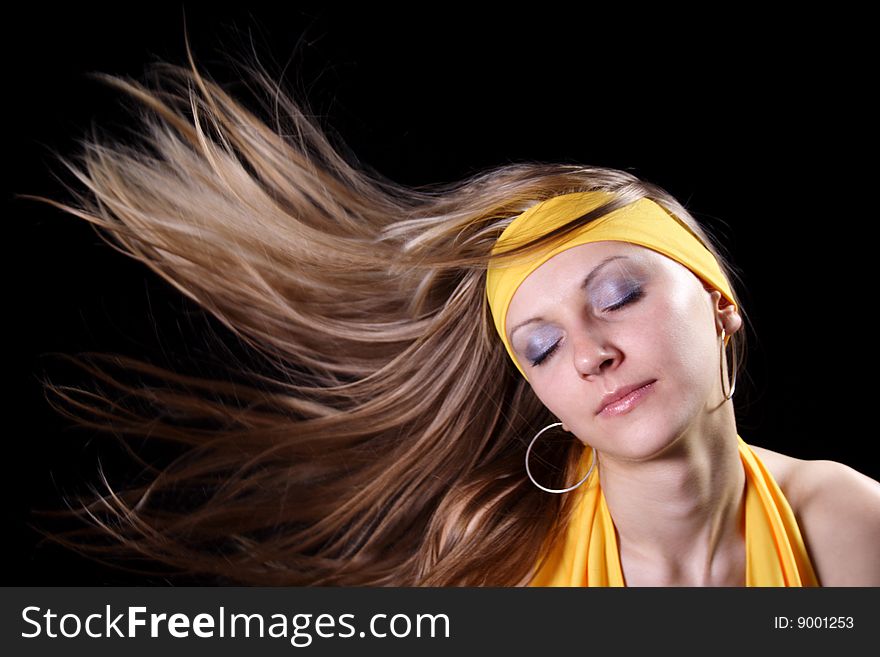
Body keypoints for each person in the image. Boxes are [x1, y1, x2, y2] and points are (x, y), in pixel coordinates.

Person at [24, 43, 880, 587]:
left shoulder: (843, 523)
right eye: (539, 348)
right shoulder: (494, 550)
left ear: (719, 303)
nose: (588, 355)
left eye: (618, 297)